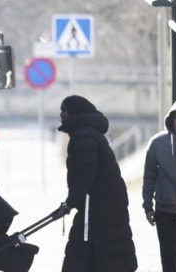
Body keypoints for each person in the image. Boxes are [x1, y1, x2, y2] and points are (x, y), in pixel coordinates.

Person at [55, 95, 138, 272]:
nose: (61, 114)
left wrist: (71, 202)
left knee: (84, 252)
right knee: (105, 253)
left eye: (64, 110)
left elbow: (85, 176)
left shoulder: (83, 136)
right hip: (106, 207)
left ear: (75, 112)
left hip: (96, 208)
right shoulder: (89, 134)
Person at [142, 98, 176, 272]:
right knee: (170, 260)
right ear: (171, 119)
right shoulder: (157, 143)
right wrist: (148, 206)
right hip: (165, 212)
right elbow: (149, 176)